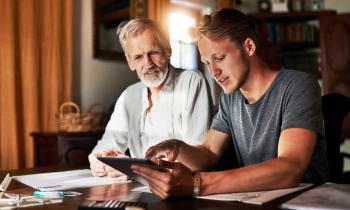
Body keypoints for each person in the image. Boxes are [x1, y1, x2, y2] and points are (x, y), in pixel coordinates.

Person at [131, 8, 329, 199]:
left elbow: (290, 167)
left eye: (219, 58)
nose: (214, 72)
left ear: (249, 47)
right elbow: (208, 152)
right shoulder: (229, 98)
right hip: (256, 201)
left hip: (303, 201)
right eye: (207, 62)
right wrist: (176, 147)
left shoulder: (299, 86)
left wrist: (197, 183)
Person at [88, 19, 212, 178]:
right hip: (141, 189)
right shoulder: (129, 95)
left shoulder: (191, 81)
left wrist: (132, 168)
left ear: (168, 50)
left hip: (183, 189)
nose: (148, 63)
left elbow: (197, 160)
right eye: (138, 57)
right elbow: (106, 145)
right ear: (129, 61)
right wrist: (100, 161)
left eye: (153, 53)